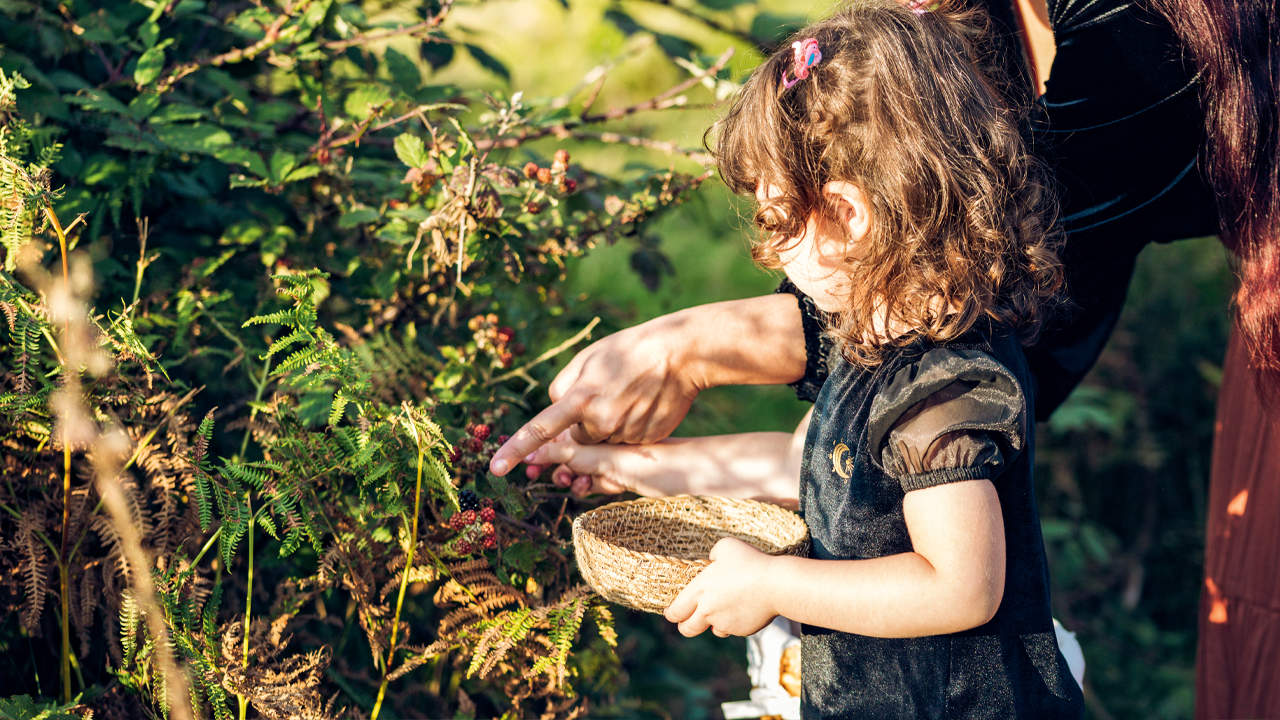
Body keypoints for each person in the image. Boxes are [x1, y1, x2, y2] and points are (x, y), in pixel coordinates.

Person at [491, 0, 1280, 715]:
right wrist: (627, 468)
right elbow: (815, 468)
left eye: (774, 225)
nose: (769, 254)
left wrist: (770, 582)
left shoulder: (947, 386)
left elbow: (960, 585)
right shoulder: (879, 346)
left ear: (848, 213)